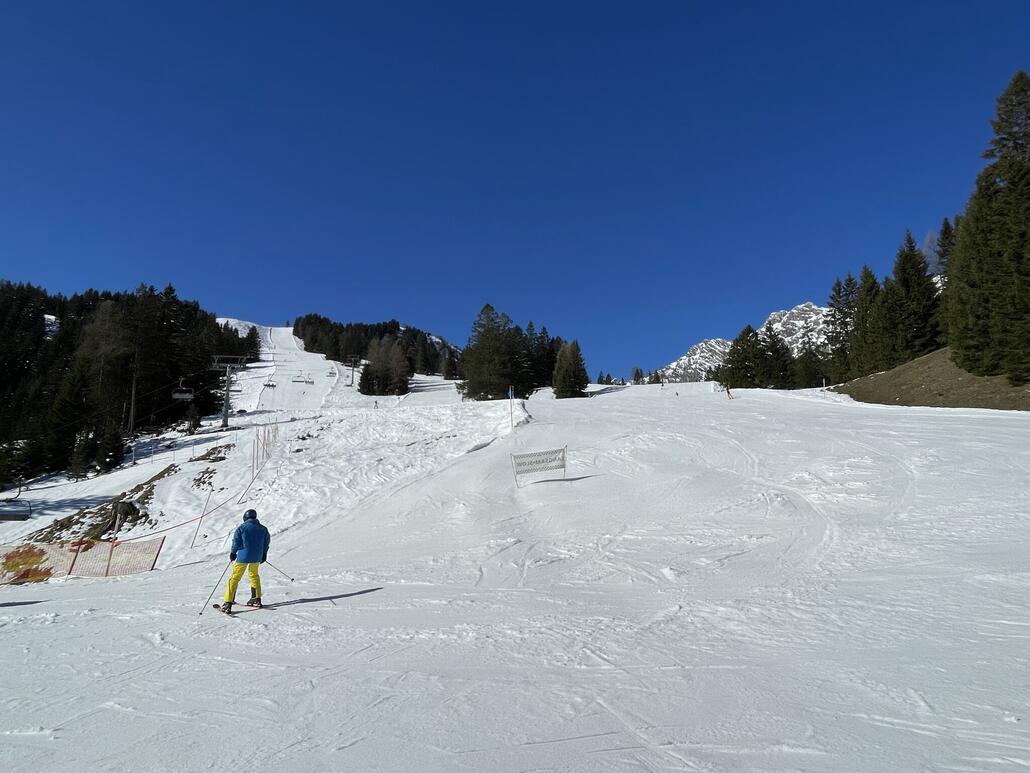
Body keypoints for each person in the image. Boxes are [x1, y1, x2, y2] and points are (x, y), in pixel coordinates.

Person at [221, 509, 271, 613]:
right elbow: (266, 542)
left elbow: (236, 541)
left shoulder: (242, 528)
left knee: (235, 578)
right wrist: (264, 553)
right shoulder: (263, 529)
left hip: (243, 556)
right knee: (254, 575)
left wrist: (233, 552)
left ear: (245, 517)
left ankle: (228, 603)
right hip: (257, 557)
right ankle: (256, 599)